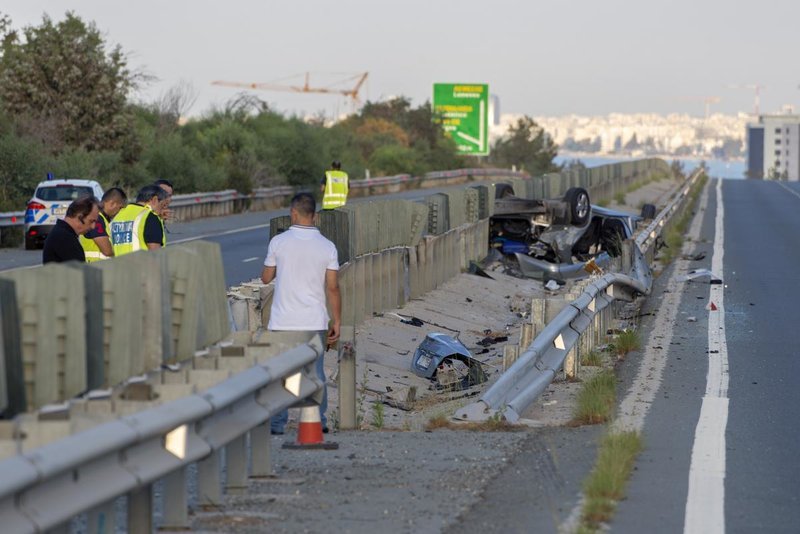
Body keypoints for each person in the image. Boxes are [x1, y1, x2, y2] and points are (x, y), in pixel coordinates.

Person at [261, 192, 341, 435]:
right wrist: (336, 320)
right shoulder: (328, 246)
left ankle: (277, 424)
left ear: (293, 213)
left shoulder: (279, 242)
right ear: (315, 216)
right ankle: (318, 420)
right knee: (315, 372)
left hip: (283, 321)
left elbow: (266, 278)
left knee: (281, 373)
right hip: (314, 321)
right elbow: (333, 287)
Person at [109, 185, 168, 257]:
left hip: (116, 266)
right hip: (141, 267)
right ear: (155, 200)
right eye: (162, 205)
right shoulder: (150, 217)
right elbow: (155, 253)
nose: (162, 210)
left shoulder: (117, 216)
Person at [43, 196, 100, 264]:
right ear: (80, 217)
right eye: (91, 221)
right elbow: (79, 271)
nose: (93, 227)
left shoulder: (62, 233)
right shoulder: (64, 238)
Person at [79, 187, 128, 262]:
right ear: (112, 204)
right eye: (120, 207)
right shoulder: (97, 219)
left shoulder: (101, 218)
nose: (120, 211)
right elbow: (107, 251)